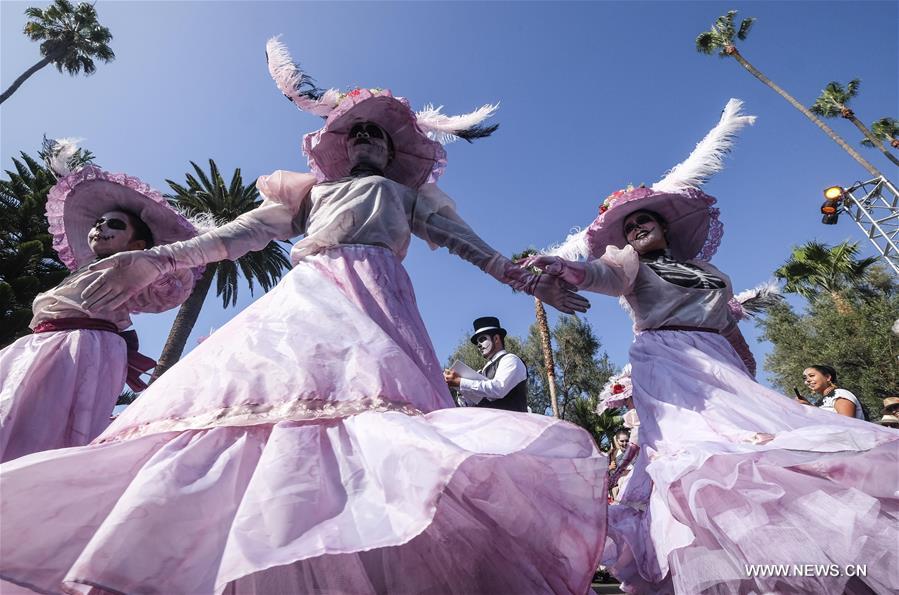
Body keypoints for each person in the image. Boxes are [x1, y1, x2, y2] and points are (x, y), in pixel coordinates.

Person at [0, 39, 606, 595]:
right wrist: (157, 259)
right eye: (356, 131)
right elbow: (235, 237)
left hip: (382, 306)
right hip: (312, 294)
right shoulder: (308, 194)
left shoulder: (406, 197)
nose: (366, 138)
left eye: (377, 134)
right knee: (275, 409)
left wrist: (523, 279)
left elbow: (466, 243)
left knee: (373, 425)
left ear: (393, 151)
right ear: (339, 144)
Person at [523, 99, 899, 594]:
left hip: (720, 365)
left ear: (664, 226)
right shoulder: (628, 264)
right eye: (630, 227)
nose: (638, 229)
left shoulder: (712, 274)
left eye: (646, 221)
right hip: (667, 363)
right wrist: (558, 266)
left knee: (762, 449)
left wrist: (745, 370)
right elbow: (599, 275)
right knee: (701, 458)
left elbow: (729, 329)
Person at [0, 150, 199, 463]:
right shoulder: (84, 272)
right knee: (9, 406)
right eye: (99, 222)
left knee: (47, 421)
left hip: (81, 347)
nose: (101, 227)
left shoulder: (130, 272)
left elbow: (170, 290)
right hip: (38, 343)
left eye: (115, 225)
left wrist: (152, 264)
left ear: (136, 245)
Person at [443, 316, 528, 412]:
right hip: (489, 424)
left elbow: (498, 389)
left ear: (496, 338)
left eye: (482, 339)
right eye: (477, 342)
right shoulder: (482, 371)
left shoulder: (511, 360)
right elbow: (471, 404)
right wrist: (460, 390)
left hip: (512, 423)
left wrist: (461, 382)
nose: (479, 345)